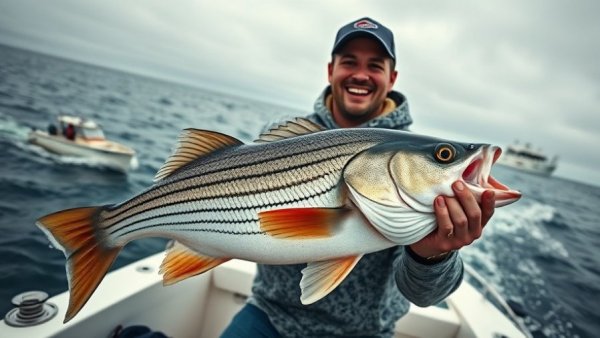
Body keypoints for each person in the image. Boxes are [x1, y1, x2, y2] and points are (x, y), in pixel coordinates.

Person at [221, 17, 496, 337]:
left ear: (391, 78)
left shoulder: (416, 168)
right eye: (349, 62)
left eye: (375, 66)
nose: (361, 75)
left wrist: (434, 254)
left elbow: (425, 295)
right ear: (330, 71)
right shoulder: (281, 136)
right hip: (269, 316)